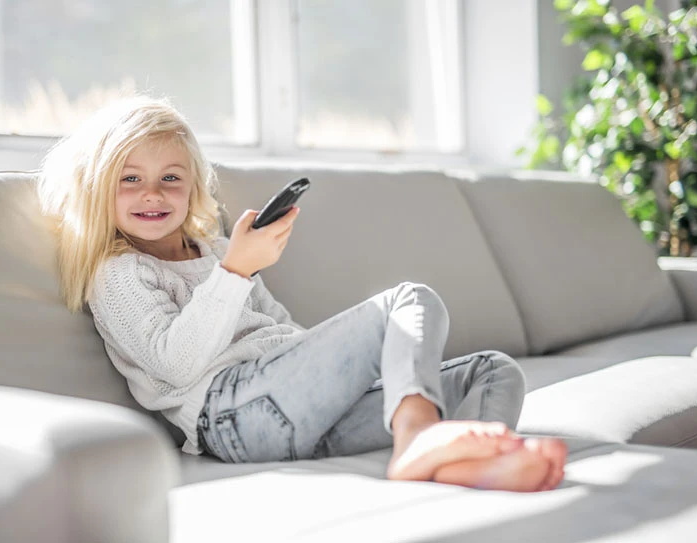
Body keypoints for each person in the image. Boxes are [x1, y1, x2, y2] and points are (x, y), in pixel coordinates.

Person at [38, 95, 567, 492]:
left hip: (296, 410)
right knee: (410, 300)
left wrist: (354, 372)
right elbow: (174, 366)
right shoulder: (120, 272)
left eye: (170, 177)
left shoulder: (215, 249)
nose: (152, 193)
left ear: (194, 187)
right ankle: (417, 437)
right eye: (130, 179)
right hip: (231, 416)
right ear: (99, 188)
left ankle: (473, 466)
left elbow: (283, 331)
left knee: (493, 370)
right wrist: (235, 271)